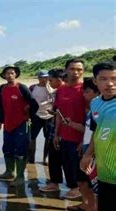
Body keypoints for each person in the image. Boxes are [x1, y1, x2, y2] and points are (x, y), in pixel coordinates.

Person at [81, 61, 116, 211]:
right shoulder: (96, 103)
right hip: (104, 171)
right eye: (104, 79)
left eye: (114, 79)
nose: (110, 84)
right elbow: (97, 130)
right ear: (95, 81)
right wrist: (87, 155)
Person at [0, 65, 37, 185]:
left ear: (16, 75)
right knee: (7, 148)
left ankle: (19, 177)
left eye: (12, 73)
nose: (9, 75)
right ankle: (9, 172)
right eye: (7, 73)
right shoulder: (2, 88)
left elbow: (34, 104)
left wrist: (29, 114)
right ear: (3, 75)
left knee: (20, 150)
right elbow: (1, 107)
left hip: (21, 123)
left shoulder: (22, 87)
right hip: (8, 124)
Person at [53, 58, 86, 199]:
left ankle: (80, 191)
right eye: (72, 69)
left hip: (80, 136)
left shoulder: (86, 89)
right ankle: (73, 187)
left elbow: (90, 117)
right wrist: (55, 134)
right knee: (67, 163)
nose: (76, 72)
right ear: (66, 70)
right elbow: (59, 113)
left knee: (78, 167)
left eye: (79, 70)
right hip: (64, 135)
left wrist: (84, 141)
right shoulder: (61, 89)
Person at [69, 78, 100, 211]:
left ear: (96, 91)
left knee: (93, 185)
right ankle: (87, 205)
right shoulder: (92, 109)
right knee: (82, 182)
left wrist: (90, 153)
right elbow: (89, 131)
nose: (84, 95)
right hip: (86, 149)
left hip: (94, 154)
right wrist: (83, 143)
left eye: (87, 92)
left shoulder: (101, 108)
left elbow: (99, 134)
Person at [40, 69, 66, 192]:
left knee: (65, 158)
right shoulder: (58, 92)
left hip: (64, 129)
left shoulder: (65, 91)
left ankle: (73, 186)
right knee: (54, 156)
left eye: (50, 80)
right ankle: (54, 182)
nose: (49, 83)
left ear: (59, 79)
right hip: (55, 126)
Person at [29, 70, 53, 164]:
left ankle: (45, 158)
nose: (45, 79)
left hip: (49, 115)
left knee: (48, 138)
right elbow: (28, 101)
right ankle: (31, 158)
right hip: (36, 116)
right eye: (43, 77)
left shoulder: (52, 88)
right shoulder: (32, 88)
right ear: (39, 78)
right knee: (32, 137)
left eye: (47, 77)